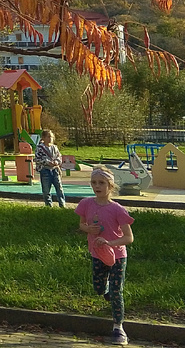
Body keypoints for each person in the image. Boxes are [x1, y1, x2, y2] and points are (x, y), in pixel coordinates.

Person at [76, 165, 134, 345]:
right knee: (99, 288)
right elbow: (82, 225)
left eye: (101, 182)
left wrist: (110, 243)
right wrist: (88, 229)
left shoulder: (117, 209)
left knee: (117, 292)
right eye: (94, 182)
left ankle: (119, 328)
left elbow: (129, 238)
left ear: (110, 186)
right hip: (97, 254)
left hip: (117, 256)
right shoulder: (86, 204)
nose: (97, 186)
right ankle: (106, 289)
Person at [34, 129, 67, 208]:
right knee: (46, 190)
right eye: (48, 137)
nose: (50, 139)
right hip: (45, 170)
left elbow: (59, 156)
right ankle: (48, 206)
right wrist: (47, 162)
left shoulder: (54, 147)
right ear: (43, 138)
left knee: (59, 188)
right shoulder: (40, 148)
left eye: (51, 137)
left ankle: (62, 205)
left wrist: (57, 162)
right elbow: (37, 159)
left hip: (55, 169)